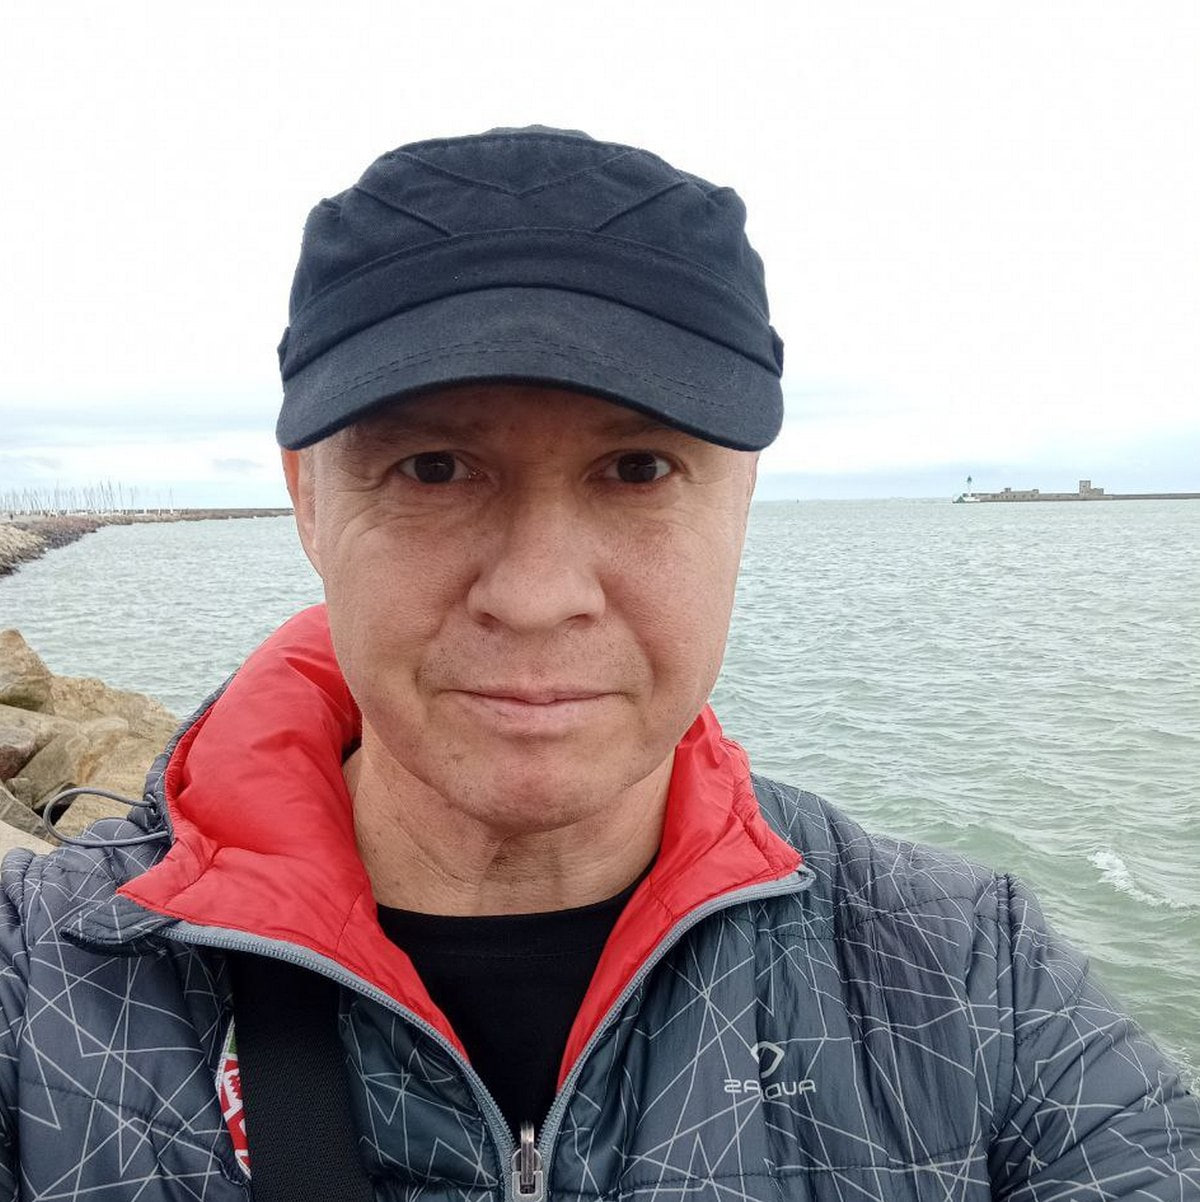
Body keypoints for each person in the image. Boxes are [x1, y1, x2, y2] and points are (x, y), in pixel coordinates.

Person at [1, 127, 1197, 1201]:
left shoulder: (971, 979)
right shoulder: (39, 987)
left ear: (742, 500)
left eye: (637, 469)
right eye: (433, 467)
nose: (535, 595)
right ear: (307, 498)